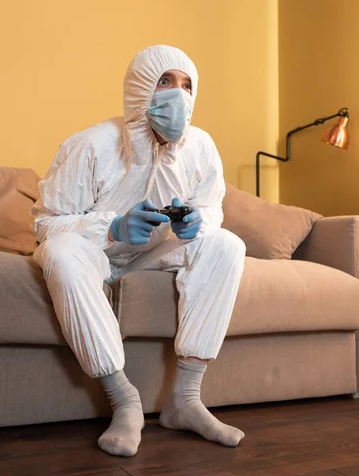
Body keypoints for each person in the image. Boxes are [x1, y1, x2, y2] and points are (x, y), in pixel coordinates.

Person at [32, 44, 246, 457]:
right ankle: (124, 402)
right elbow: (45, 223)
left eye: (187, 86)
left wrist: (196, 223)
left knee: (226, 244)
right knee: (60, 252)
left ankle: (186, 399)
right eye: (165, 81)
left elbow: (211, 207)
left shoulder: (200, 147)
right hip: (92, 256)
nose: (178, 95)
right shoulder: (91, 144)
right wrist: (110, 228)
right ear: (140, 87)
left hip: (148, 260)